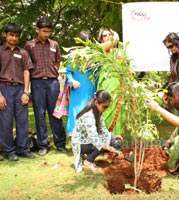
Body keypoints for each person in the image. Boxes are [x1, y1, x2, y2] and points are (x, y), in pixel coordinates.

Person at [24, 16, 67, 156]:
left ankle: (60, 143)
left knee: (56, 113)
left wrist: (52, 72)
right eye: (44, 31)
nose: (47, 34)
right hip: (37, 83)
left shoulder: (54, 44)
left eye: (49, 31)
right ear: (37, 30)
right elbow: (26, 66)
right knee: (40, 114)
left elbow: (57, 61)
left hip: (53, 82)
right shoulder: (29, 45)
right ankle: (43, 145)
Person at [0, 23, 35, 161]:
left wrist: (26, 92)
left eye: (16, 36)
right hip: (4, 88)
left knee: (22, 121)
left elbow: (27, 71)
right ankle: (9, 151)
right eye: (11, 35)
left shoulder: (23, 53)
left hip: (20, 88)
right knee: (5, 122)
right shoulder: (0, 52)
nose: (14, 38)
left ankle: (23, 148)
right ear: (5, 35)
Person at [71, 90, 124, 173]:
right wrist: (112, 149)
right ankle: (88, 162)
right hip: (80, 144)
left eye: (107, 107)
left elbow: (104, 130)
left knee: (112, 140)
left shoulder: (99, 113)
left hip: (87, 140)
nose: (106, 109)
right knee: (102, 144)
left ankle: (111, 157)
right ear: (96, 102)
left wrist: (112, 137)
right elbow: (96, 140)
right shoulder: (88, 116)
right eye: (104, 107)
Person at [97, 28, 124, 135]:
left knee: (118, 114)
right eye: (105, 35)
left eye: (110, 34)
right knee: (105, 109)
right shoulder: (99, 49)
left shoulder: (120, 51)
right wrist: (115, 38)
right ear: (101, 40)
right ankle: (104, 141)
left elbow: (127, 69)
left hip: (119, 86)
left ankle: (116, 141)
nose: (108, 36)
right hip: (106, 84)